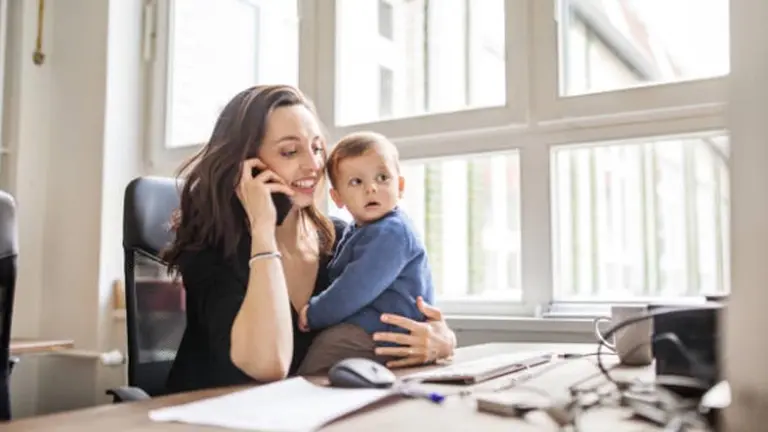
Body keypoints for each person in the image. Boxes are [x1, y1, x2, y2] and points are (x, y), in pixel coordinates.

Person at [162, 84, 457, 393]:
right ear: (247, 166)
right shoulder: (210, 247)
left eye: (317, 148)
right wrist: (263, 231)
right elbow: (269, 365)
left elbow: (410, 311)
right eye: (290, 151)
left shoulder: (339, 239)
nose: (314, 165)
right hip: (206, 418)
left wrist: (441, 340)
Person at [295, 132, 435, 375]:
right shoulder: (358, 230)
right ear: (337, 197)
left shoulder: (392, 232)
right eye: (356, 182)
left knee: (320, 359)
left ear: (399, 186)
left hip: (384, 333)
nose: (371, 188)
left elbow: (354, 288)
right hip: (374, 330)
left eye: (382, 178)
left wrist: (315, 313)